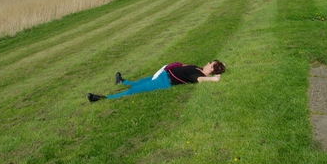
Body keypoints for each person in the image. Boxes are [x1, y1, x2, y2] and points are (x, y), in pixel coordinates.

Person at [87, 60, 226, 102]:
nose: (207, 62)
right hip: (163, 75)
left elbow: (200, 80)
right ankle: (121, 82)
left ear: (212, 69)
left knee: (134, 90)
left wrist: (214, 79)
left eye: (210, 63)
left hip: (164, 82)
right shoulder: (198, 68)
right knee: (140, 82)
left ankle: (103, 98)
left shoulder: (197, 73)